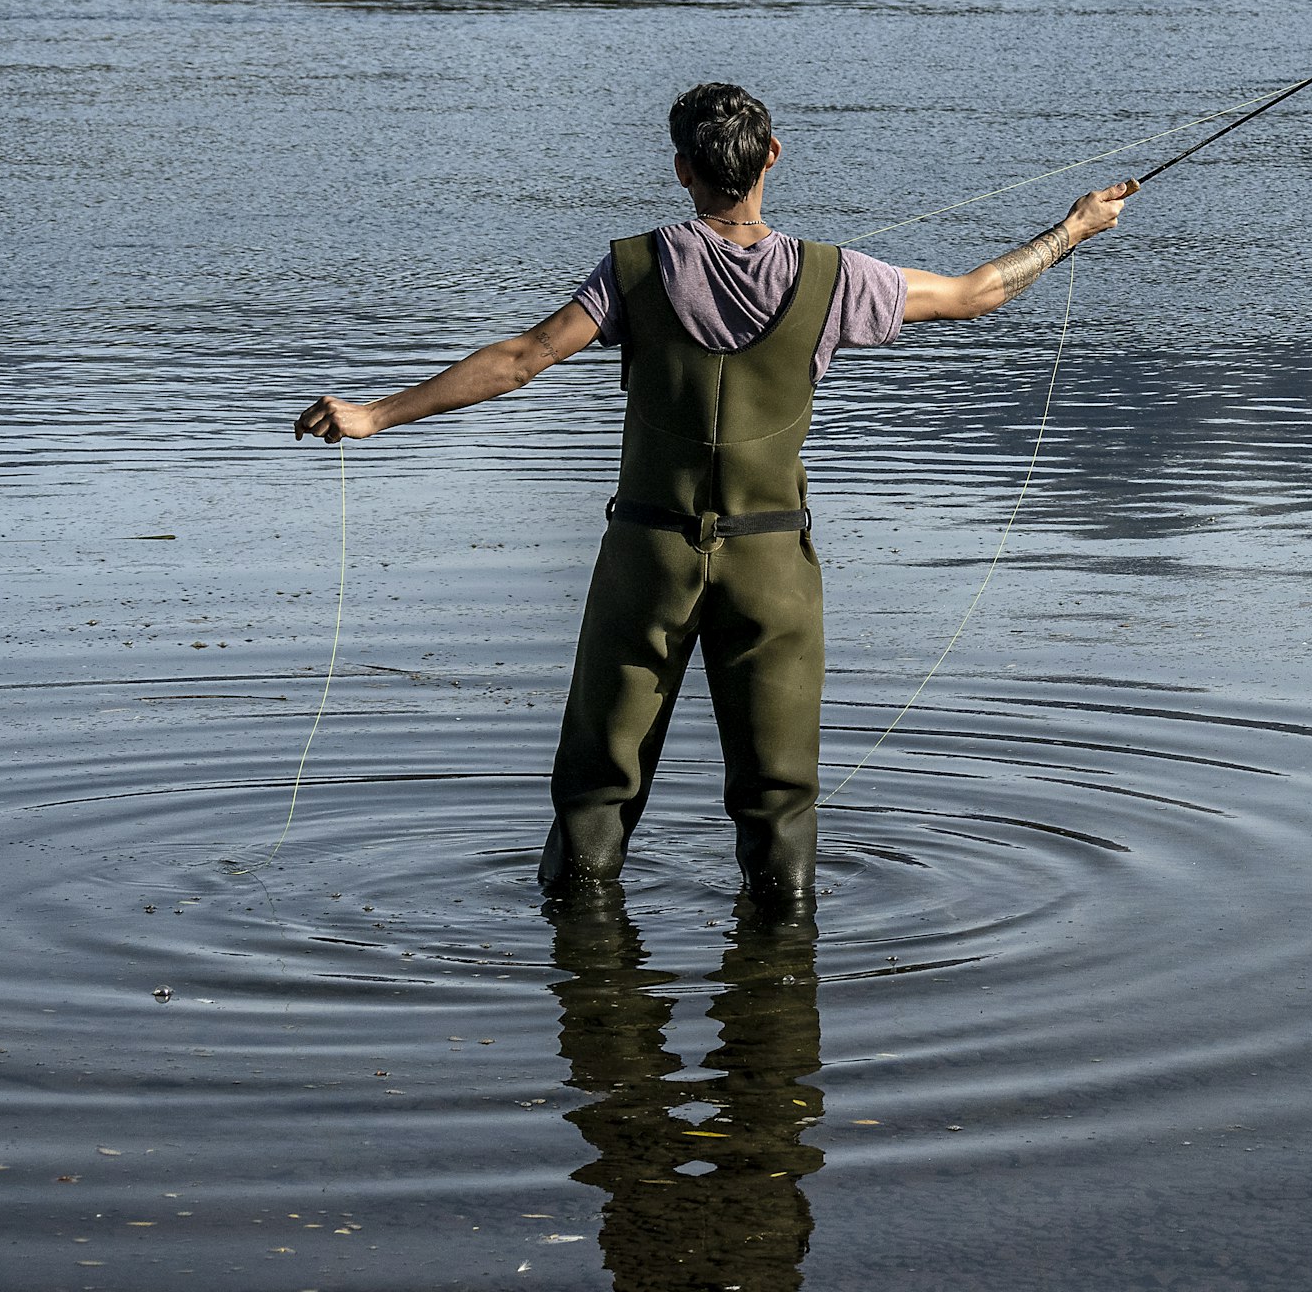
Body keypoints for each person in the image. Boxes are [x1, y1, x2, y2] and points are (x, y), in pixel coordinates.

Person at [294, 81, 1134, 901]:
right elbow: (977, 294)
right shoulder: (835, 278)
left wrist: (376, 414)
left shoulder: (635, 267)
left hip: (647, 561)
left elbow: (524, 359)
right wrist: (1074, 228)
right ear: (772, 156)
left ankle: (585, 971)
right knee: (779, 800)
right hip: (772, 568)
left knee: (597, 790)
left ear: (682, 170)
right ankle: (779, 980)